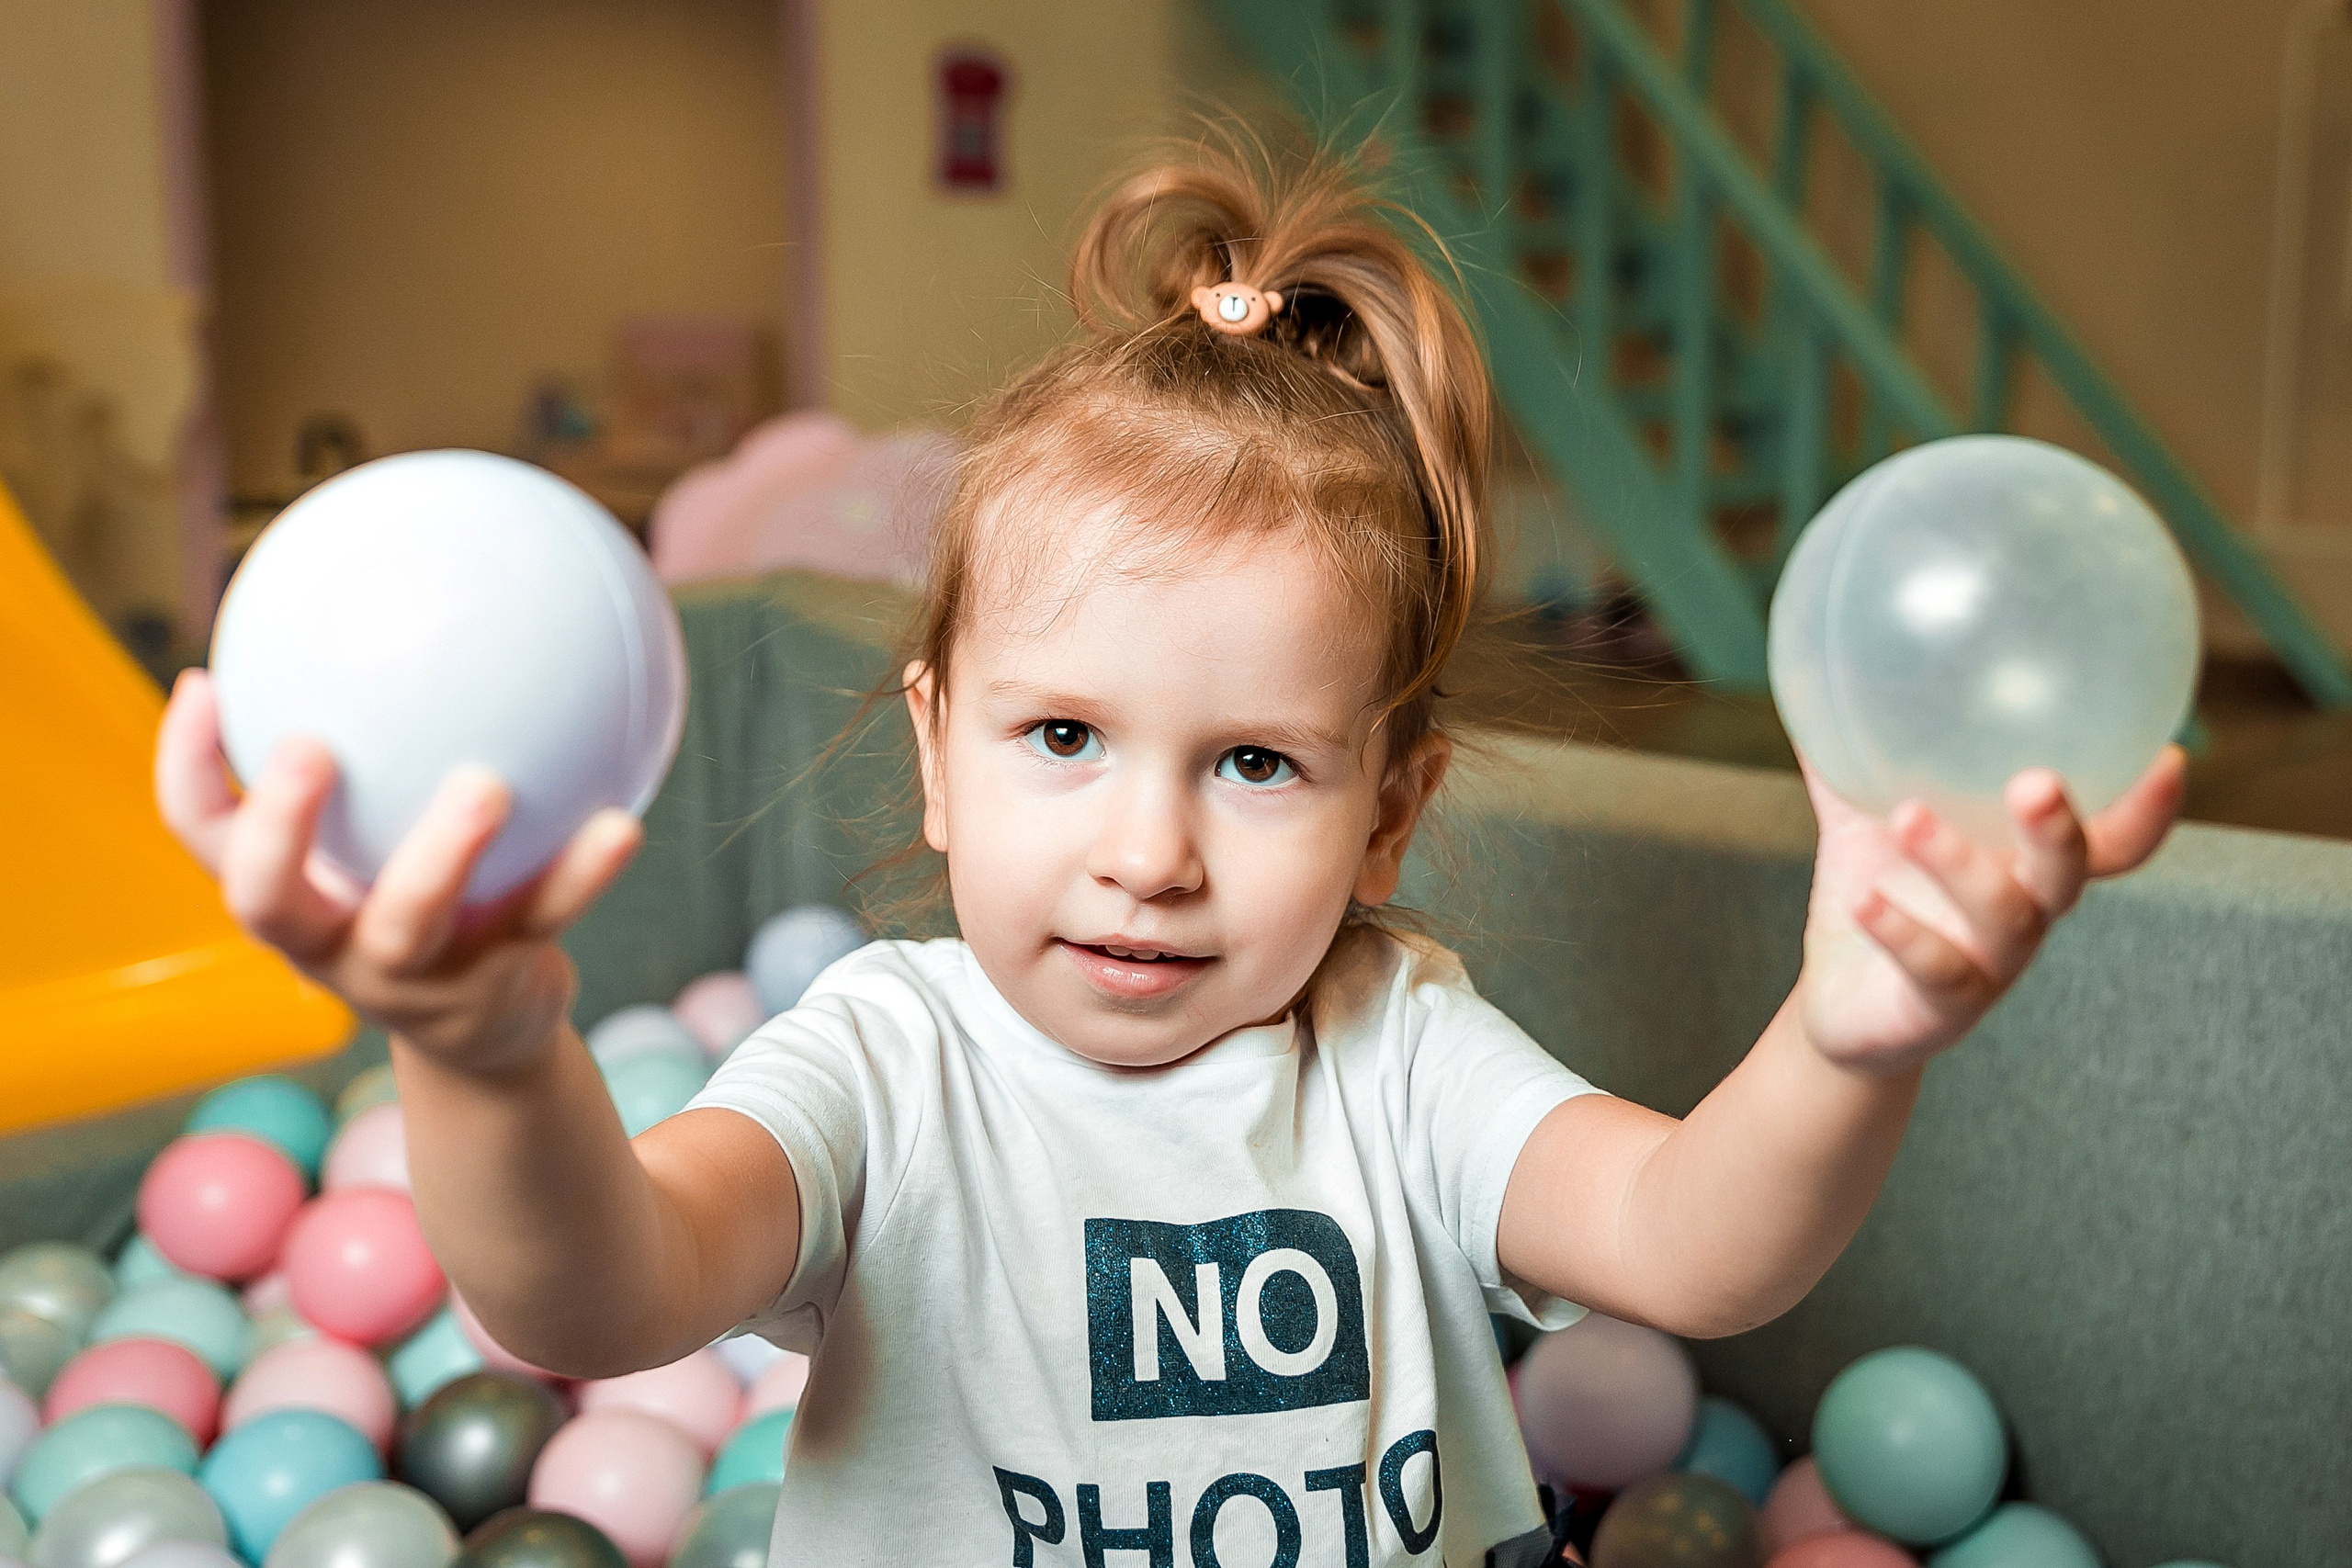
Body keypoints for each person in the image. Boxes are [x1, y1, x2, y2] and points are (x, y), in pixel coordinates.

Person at [154, 147, 2183, 1566]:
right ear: (939, 754)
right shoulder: (884, 1062)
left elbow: (1690, 1240)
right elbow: (594, 1292)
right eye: (1060, 738)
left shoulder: (1393, 1043)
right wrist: (486, 1049)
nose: (1146, 849)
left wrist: (1853, 1032)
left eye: (1254, 764)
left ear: (1389, 804)